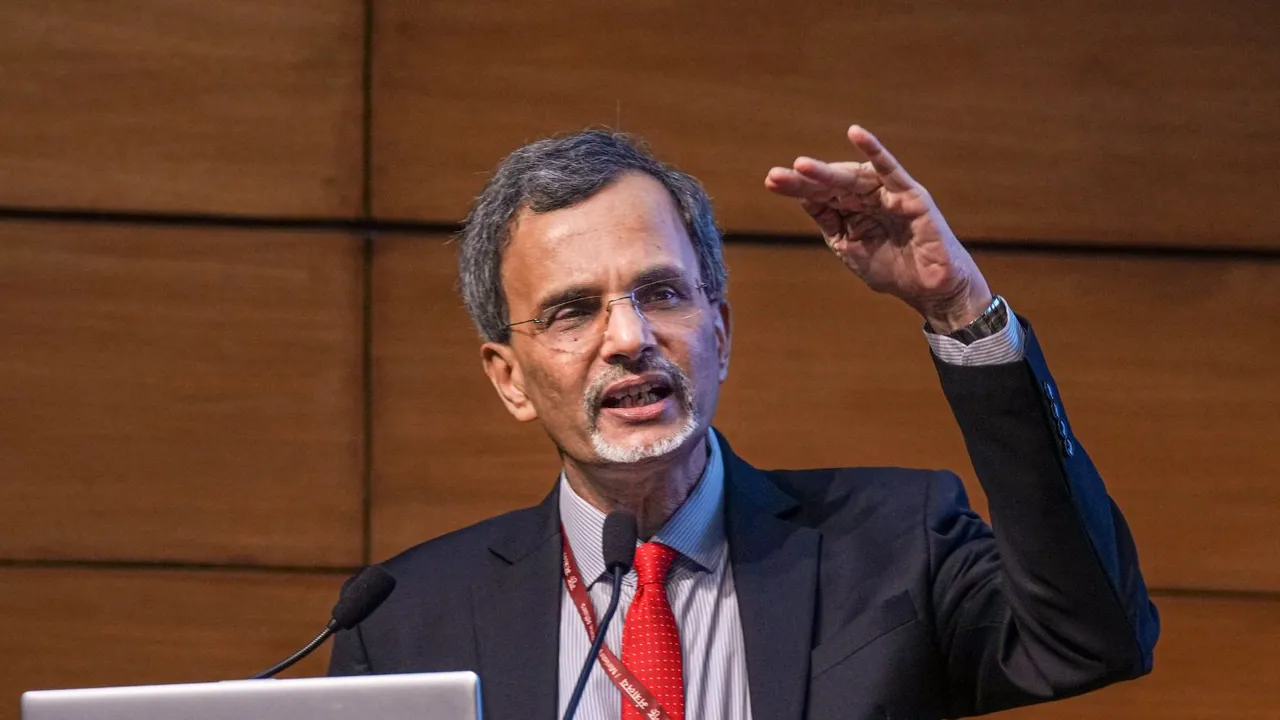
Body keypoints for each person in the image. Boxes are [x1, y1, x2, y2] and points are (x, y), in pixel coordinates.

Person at [328, 125, 1160, 720]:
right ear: (509, 379)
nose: (631, 338)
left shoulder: (899, 547)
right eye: (574, 311)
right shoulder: (404, 622)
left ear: (719, 333)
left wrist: (959, 309)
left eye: (661, 294)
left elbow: (1093, 641)